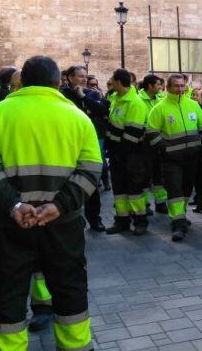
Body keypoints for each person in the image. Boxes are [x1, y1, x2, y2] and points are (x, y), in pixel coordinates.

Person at [0, 55, 101, 351]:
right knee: (69, 290)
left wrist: (15, 206)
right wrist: (59, 206)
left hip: (9, 224)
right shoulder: (77, 116)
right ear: (59, 82)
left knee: (8, 293)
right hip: (63, 223)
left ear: (22, 82)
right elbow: (92, 169)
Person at [145, 74, 202, 241]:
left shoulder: (193, 105)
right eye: (176, 86)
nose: (180, 89)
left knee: (187, 189)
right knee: (174, 190)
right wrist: (165, 149)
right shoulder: (159, 108)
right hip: (171, 159)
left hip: (192, 158)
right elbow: (151, 133)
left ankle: (181, 215)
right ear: (168, 88)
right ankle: (177, 224)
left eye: (182, 86)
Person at [60, 65, 109, 232]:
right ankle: (74, 219)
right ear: (69, 78)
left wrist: (83, 96)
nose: (83, 79)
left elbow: (103, 109)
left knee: (91, 182)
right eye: (79, 76)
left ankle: (95, 219)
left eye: (84, 76)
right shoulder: (62, 95)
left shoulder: (92, 94)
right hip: (69, 145)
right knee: (69, 183)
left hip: (89, 144)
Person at [105, 68, 150, 235]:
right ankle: (122, 221)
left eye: (112, 79)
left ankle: (140, 221)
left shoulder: (134, 103)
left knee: (134, 189)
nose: (110, 82)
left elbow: (133, 133)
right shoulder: (116, 98)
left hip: (132, 154)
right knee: (119, 189)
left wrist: (120, 152)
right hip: (118, 153)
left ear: (118, 81)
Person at [139, 74, 168, 214]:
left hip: (159, 141)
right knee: (145, 174)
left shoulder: (160, 99)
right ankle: (145, 204)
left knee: (159, 173)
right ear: (150, 86)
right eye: (158, 85)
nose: (161, 87)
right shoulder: (139, 100)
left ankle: (161, 202)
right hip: (144, 143)